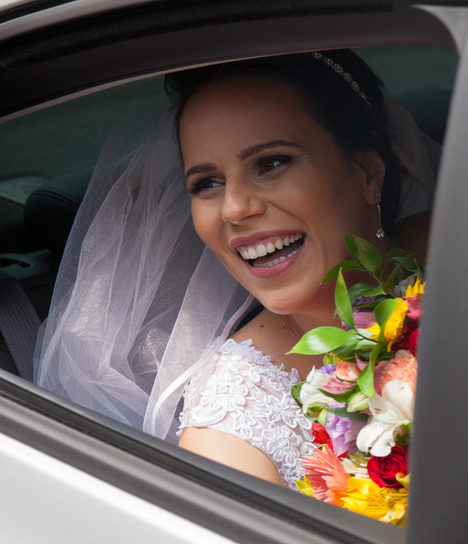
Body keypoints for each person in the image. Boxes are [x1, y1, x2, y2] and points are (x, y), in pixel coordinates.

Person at [33, 51, 439, 488]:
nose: (235, 209)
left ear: (368, 172)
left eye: (271, 163)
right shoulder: (233, 426)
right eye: (207, 184)